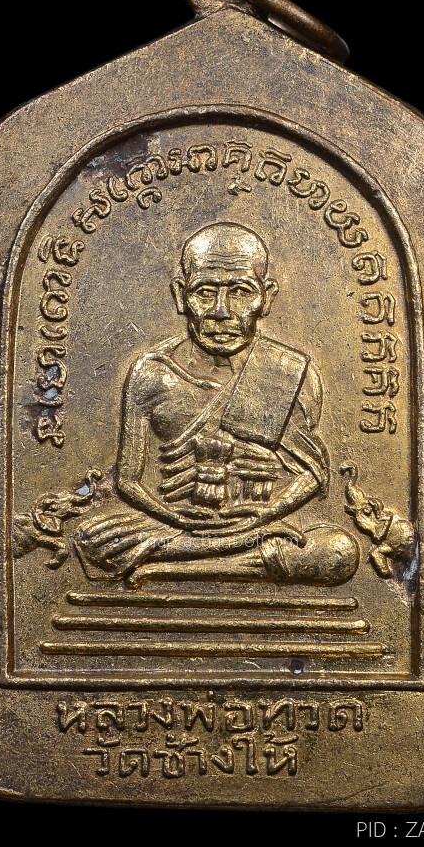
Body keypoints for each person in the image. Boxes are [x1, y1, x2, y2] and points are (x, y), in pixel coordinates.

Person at [77, 221, 358, 587]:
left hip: (257, 521)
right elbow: (127, 482)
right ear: (181, 295)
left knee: (339, 551)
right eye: (205, 292)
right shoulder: (152, 373)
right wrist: (177, 518)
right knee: (95, 541)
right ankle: (226, 556)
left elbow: (313, 472)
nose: (221, 311)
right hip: (173, 524)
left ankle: (169, 566)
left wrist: (264, 514)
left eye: (241, 292)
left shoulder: (288, 370)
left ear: (267, 297)